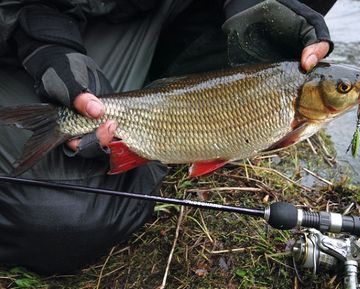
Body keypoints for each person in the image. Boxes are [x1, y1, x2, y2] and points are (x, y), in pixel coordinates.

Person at [0, 0, 335, 274]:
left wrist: (257, 5)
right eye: (344, 89)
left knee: (285, 12)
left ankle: (170, 125)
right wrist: (47, 50)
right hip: (25, 24)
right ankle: (153, 140)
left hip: (140, 11)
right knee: (58, 219)